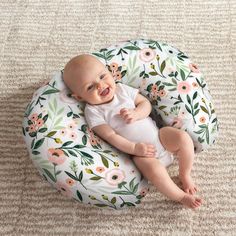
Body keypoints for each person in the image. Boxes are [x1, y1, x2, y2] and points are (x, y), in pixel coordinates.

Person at [63, 54, 203, 209]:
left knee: (183, 138)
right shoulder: (93, 112)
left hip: (160, 137)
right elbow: (111, 136)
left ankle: (185, 174)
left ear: (109, 72)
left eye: (102, 76)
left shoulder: (122, 90)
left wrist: (137, 113)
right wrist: (135, 148)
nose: (100, 85)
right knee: (155, 172)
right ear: (79, 97)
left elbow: (145, 104)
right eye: (90, 87)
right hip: (140, 154)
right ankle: (181, 196)